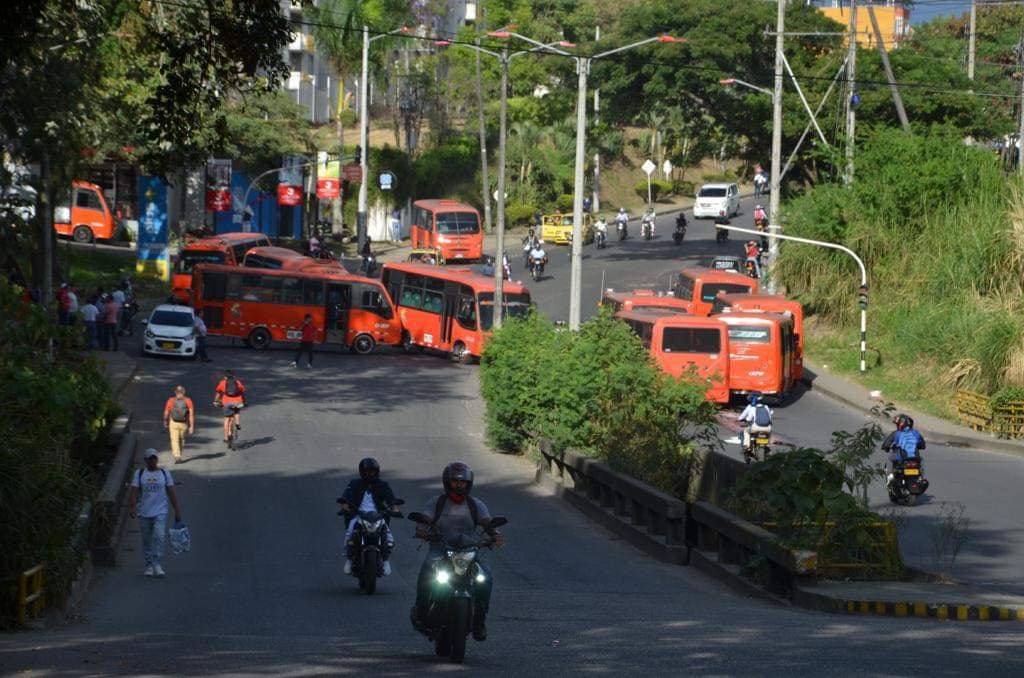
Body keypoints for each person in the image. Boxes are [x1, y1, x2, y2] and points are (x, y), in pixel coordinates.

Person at [412, 462, 505, 641]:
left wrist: (496, 536)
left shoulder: (475, 505)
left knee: (485, 577)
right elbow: (423, 523)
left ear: (469, 483)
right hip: (440, 552)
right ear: (447, 482)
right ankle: (421, 612)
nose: (459, 485)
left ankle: (479, 619)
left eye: (462, 482)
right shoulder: (436, 503)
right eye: (455, 481)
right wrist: (422, 532)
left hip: (469, 553)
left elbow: (488, 523)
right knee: (426, 575)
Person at [339, 457, 398, 576]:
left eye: (372, 471)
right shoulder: (354, 483)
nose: (369, 474)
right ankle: (349, 560)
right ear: (361, 471)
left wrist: (395, 508)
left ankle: (386, 561)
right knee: (350, 530)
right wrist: (345, 506)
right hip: (358, 514)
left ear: (377, 472)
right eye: (366, 471)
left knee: (388, 536)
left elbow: (391, 499)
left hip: (378, 515)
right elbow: (346, 497)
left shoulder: (382, 485)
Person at [128, 449, 182, 577]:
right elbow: (134, 491)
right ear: (146, 461)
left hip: (160, 511)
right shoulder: (140, 474)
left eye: (154, 458)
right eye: (150, 459)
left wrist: (177, 510)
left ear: (157, 459)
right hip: (144, 512)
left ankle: (157, 564)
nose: (152, 461)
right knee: (147, 540)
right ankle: (149, 565)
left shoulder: (164, 473)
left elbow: (171, 492)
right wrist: (133, 507)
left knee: (159, 536)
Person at [163, 385, 195, 464]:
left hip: (173, 423)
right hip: (184, 423)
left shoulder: (171, 400)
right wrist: (191, 426)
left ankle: (177, 456)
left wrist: (165, 421)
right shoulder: (188, 400)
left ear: (175, 392)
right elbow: (191, 414)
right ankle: (179, 454)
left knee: (174, 440)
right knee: (181, 439)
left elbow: (166, 412)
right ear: (184, 392)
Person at [214, 369, 246, 443]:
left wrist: (215, 401)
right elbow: (242, 392)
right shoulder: (238, 383)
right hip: (238, 402)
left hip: (226, 403)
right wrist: (244, 401)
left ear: (225, 377)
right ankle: (237, 424)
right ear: (234, 376)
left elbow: (218, 392)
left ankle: (225, 437)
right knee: (237, 412)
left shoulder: (222, 383)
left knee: (227, 419)